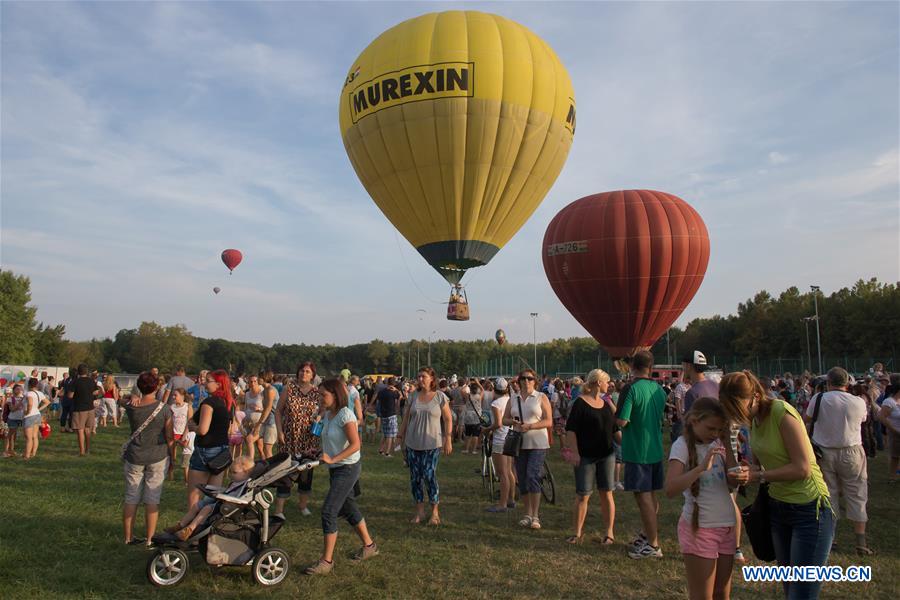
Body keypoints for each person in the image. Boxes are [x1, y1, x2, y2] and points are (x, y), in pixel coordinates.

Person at [720, 370, 833, 600]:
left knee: (801, 594)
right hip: (778, 509)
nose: (735, 415)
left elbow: (802, 468)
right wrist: (747, 470)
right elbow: (761, 467)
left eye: (737, 408)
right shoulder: (754, 422)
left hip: (809, 509)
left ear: (755, 397)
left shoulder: (782, 412)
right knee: (790, 588)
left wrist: (758, 476)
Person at [665, 397, 739, 600]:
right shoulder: (681, 446)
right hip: (700, 528)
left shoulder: (719, 443)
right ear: (694, 421)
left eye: (719, 430)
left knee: (722, 593)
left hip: (727, 527)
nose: (715, 434)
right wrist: (699, 469)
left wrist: (729, 448)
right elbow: (670, 489)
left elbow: (733, 484)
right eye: (710, 428)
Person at [304, 378, 378, 575]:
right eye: (319, 394)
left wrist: (333, 458)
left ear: (336, 395)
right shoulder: (328, 414)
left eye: (323, 395)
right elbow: (330, 440)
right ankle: (370, 547)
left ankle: (326, 561)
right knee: (349, 508)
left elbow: (355, 444)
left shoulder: (346, 414)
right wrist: (318, 451)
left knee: (329, 511)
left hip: (348, 468)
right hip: (336, 468)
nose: (320, 398)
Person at [804, 367, 873, 555]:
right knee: (857, 492)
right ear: (847, 383)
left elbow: (807, 419)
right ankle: (860, 540)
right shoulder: (858, 402)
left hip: (824, 452)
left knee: (828, 494)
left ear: (828, 382)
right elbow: (863, 421)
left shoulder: (818, 399)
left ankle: (831, 538)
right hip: (852, 451)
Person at [616, 351, 667, 559]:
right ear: (651, 367)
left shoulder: (631, 389)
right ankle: (648, 535)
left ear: (631, 366)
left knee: (643, 496)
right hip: (655, 448)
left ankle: (653, 545)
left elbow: (622, 421)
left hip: (638, 450)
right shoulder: (659, 390)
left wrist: (613, 408)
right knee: (651, 495)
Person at [563, 369, 617, 545]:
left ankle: (609, 533)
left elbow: (615, 431)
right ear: (597, 383)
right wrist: (575, 453)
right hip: (586, 456)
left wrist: (629, 444)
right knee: (583, 495)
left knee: (607, 493)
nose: (609, 385)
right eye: (606, 382)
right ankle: (577, 532)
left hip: (606, 455)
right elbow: (571, 430)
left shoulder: (606, 404)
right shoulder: (580, 403)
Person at [121, 371, 175, 547]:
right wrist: (173, 458)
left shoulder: (132, 406)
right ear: (157, 386)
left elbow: (118, 399)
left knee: (131, 496)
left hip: (135, 455)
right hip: (158, 455)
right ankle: (150, 539)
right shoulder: (165, 409)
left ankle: (128, 537)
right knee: (152, 498)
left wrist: (133, 396)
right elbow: (169, 436)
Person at [398, 367, 453, 525]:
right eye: (418, 376)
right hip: (412, 443)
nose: (420, 379)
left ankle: (435, 512)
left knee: (429, 476)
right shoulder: (413, 396)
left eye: (423, 376)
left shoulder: (440, 397)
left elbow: (448, 419)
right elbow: (406, 419)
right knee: (415, 479)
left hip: (432, 444)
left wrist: (448, 438)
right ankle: (420, 512)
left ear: (431, 379)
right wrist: (399, 437)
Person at [503, 368, 552, 530]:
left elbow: (548, 421)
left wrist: (531, 426)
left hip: (537, 443)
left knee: (533, 475)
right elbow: (504, 419)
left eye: (529, 379)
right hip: (519, 443)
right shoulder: (513, 398)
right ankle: (527, 513)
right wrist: (514, 422)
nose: (526, 381)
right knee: (522, 479)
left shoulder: (541, 397)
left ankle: (536, 515)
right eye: (523, 379)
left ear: (535, 381)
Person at [163, 456, 254, 541]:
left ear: (245, 472)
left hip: (229, 506)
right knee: (197, 505)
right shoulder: (236, 481)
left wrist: (222, 496)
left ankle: (190, 529)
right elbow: (227, 491)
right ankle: (180, 525)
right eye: (230, 472)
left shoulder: (246, 484)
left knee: (206, 508)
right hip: (223, 500)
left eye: (234, 472)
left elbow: (237, 498)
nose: (231, 475)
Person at [274, 362, 322, 517]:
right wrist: (280, 431)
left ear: (313, 375)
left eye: (308, 371)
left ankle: (303, 506)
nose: (304, 373)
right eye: (302, 370)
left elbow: (324, 410)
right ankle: (279, 510)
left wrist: (319, 417)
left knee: (306, 474)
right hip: (289, 438)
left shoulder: (317, 392)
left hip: (309, 440)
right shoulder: (289, 388)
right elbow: (278, 412)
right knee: (285, 473)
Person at [187, 370, 234, 509]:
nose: (204, 383)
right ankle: (207, 524)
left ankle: (191, 524)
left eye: (208, 381)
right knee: (213, 495)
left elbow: (202, 430)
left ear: (218, 384)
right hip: (221, 450)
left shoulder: (209, 403)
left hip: (206, 450)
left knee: (195, 494)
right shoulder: (228, 402)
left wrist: (192, 427)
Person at [484, 378, 515, 512]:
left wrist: (486, 430)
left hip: (500, 439)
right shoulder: (511, 400)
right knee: (509, 471)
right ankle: (511, 499)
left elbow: (498, 424)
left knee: (502, 473)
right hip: (511, 437)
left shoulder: (496, 403)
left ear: (494, 389)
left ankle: (502, 504)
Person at [68, 364, 102, 455]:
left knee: (80, 430)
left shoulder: (75, 381)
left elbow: (70, 395)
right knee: (87, 430)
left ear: (78, 372)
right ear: (86, 372)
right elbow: (96, 392)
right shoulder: (91, 381)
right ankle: (87, 450)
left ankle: (82, 452)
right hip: (90, 408)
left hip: (79, 408)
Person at [250, 370, 279, 460]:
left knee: (267, 449)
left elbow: (268, 408)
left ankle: (271, 471)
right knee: (250, 439)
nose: (257, 379)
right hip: (265, 422)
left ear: (264, 378)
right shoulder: (264, 391)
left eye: (259, 377)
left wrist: (258, 424)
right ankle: (251, 463)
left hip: (272, 422)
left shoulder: (271, 390)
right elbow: (264, 408)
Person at [878, 378, 900, 483]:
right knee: (895, 456)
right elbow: (882, 417)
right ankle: (892, 476)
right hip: (895, 433)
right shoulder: (889, 402)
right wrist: (893, 429)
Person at [21, 378, 49, 460]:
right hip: (37, 415)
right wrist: (38, 409)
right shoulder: (39, 393)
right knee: (35, 436)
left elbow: (30, 403)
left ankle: (27, 455)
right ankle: (33, 453)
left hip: (29, 416)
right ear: (37, 385)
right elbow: (47, 402)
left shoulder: (28, 393)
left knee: (28, 438)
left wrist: (27, 412)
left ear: (29, 384)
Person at [242, 374, 266, 460]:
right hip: (248, 423)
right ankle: (263, 463)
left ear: (258, 381)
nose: (253, 383)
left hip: (259, 423)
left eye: (255, 381)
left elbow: (267, 409)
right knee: (259, 447)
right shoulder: (247, 394)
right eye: (251, 381)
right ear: (248, 383)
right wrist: (243, 418)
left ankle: (250, 464)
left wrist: (258, 408)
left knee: (250, 441)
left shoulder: (262, 392)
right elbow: (245, 407)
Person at [376, 377, 401, 457]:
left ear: (387, 383)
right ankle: (387, 452)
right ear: (394, 384)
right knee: (390, 435)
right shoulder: (394, 392)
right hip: (391, 414)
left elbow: (378, 399)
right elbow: (400, 396)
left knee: (385, 434)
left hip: (383, 414)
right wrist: (396, 389)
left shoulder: (381, 392)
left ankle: (380, 450)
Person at [462, 380, 484, 454]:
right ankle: (474, 450)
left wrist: (467, 383)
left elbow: (462, 390)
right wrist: (478, 382)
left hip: (468, 415)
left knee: (468, 434)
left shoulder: (467, 396)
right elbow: (482, 390)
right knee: (475, 434)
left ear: (470, 389)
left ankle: (466, 449)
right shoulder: (479, 396)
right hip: (477, 416)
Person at [4, 384, 25, 457]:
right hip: (12, 419)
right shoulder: (10, 399)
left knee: (14, 435)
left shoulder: (23, 398)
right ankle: (6, 451)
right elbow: (12, 409)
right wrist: (20, 402)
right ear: (14, 390)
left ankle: (11, 450)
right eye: (17, 389)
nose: (19, 390)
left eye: (20, 389)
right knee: (10, 435)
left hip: (20, 419)